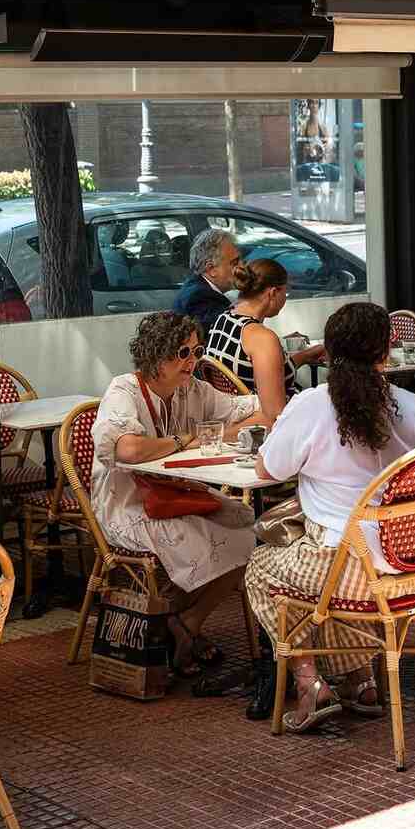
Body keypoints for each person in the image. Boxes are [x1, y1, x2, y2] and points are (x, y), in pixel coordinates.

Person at [246, 302, 415, 733]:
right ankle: (360, 681)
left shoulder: (312, 405)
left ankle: (309, 682)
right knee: (333, 567)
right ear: (386, 350)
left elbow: (268, 469)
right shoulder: (414, 406)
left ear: (327, 352)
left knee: (265, 569)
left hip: (348, 575)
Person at [91, 310, 261, 675]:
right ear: (156, 354)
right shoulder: (125, 390)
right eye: (183, 352)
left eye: (197, 351)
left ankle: (184, 622)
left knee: (249, 526)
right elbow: (129, 449)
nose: (192, 361)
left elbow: (254, 409)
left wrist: (228, 430)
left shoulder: (193, 390)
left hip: (180, 494)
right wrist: (185, 440)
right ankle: (181, 625)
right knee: (214, 538)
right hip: (129, 504)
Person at [206, 258, 326, 426]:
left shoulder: (223, 319)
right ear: (273, 293)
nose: (285, 298)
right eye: (285, 292)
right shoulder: (261, 339)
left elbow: (261, 374)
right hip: (266, 426)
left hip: (234, 414)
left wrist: (305, 356)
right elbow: (275, 416)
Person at [173, 228, 241, 336]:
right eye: (234, 263)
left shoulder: (199, 288)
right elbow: (233, 334)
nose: (241, 267)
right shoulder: (199, 298)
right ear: (211, 269)